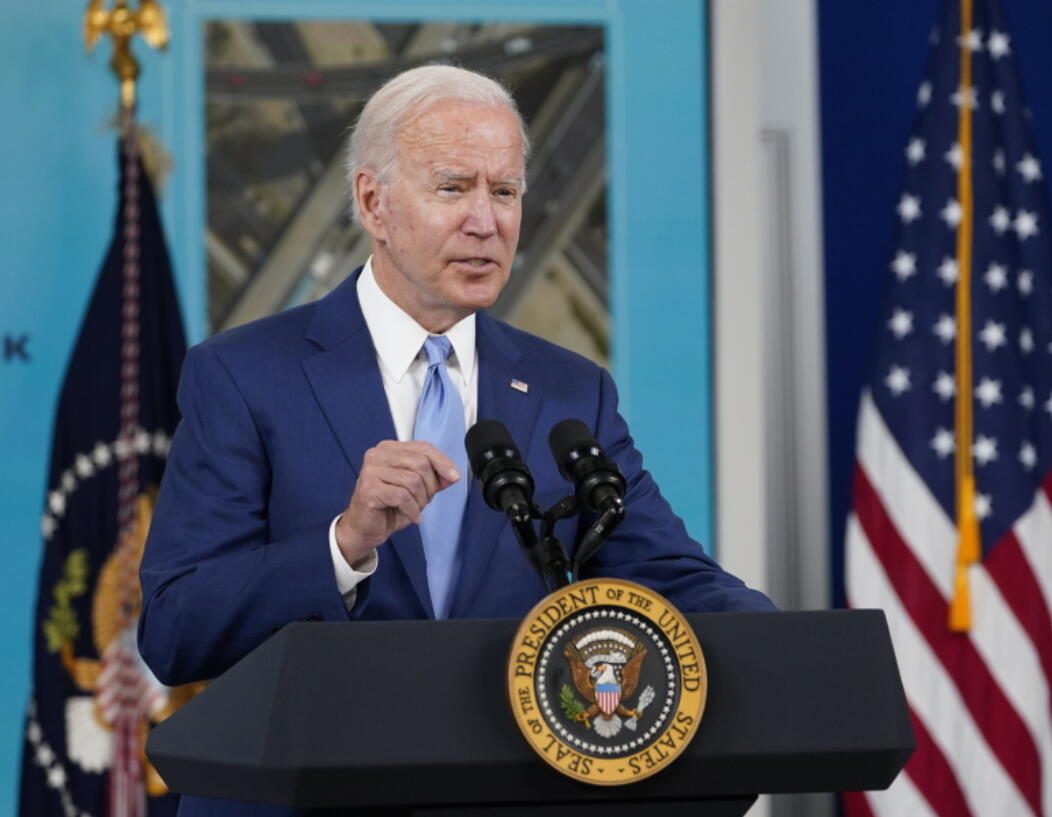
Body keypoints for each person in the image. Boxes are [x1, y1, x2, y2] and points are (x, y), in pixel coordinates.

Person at [139, 63, 771, 726]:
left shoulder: (570, 394)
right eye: (453, 188)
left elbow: (675, 579)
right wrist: (345, 543)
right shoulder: (243, 375)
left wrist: (791, 645)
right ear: (372, 203)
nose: (486, 221)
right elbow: (177, 630)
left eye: (504, 191)